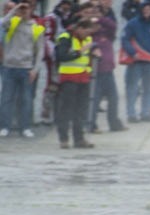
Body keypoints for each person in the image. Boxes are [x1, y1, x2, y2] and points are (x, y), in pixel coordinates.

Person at [0, 0, 43, 138]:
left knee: (26, 99)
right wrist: (15, 10)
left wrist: (35, 69)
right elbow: (2, 23)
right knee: (6, 98)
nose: (25, 11)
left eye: (27, 9)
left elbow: (40, 51)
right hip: (10, 66)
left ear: (31, 10)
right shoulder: (12, 23)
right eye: (23, 8)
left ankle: (25, 126)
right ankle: (5, 126)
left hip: (26, 68)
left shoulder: (36, 27)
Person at [54, 17, 99, 148]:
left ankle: (79, 139)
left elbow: (88, 57)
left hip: (83, 77)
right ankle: (64, 139)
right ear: (79, 28)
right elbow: (61, 56)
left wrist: (95, 54)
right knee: (66, 109)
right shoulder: (65, 37)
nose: (88, 35)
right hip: (68, 77)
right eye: (86, 32)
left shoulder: (88, 39)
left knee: (81, 110)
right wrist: (80, 52)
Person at [121, 0, 150, 122]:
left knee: (148, 88)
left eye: (149, 10)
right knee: (132, 88)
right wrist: (133, 53)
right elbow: (125, 39)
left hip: (149, 63)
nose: (147, 12)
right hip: (135, 62)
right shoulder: (133, 24)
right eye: (145, 10)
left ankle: (145, 112)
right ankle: (131, 114)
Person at [88, 0, 125, 133]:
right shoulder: (90, 35)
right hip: (96, 70)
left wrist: (101, 19)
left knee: (113, 97)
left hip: (108, 69)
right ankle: (91, 124)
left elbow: (113, 27)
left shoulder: (106, 31)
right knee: (94, 98)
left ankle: (114, 123)